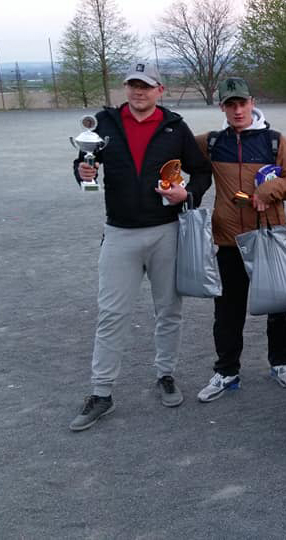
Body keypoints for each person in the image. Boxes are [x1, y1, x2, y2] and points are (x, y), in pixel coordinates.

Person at [69, 61, 212, 431]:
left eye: (146, 86)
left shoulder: (175, 126)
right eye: (133, 84)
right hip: (119, 233)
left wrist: (187, 193)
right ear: (126, 88)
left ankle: (165, 374)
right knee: (111, 314)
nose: (138, 91)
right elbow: (85, 162)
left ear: (159, 90)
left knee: (169, 310)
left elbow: (202, 171)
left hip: (167, 232)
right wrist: (83, 172)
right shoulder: (104, 123)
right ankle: (102, 392)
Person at [195, 77, 286, 402]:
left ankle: (281, 363)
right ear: (222, 107)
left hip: (267, 237)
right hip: (229, 241)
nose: (238, 110)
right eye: (231, 105)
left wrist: (268, 190)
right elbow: (175, 149)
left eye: (242, 103)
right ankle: (227, 371)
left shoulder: (274, 141)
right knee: (227, 312)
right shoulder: (212, 143)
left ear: (252, 103)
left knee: (278, 307)